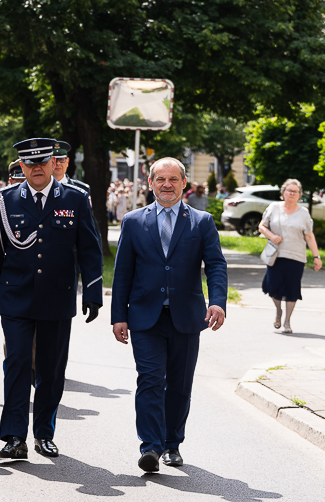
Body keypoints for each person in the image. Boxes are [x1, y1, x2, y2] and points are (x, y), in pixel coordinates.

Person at [0, 138, 103, 460]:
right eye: (29, 164)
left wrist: (92, 291)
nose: (36, 169)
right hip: (15, 296)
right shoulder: (5, 200)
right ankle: (13, 437)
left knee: (50, 371)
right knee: (18, 364)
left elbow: (90, 249)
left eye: (42, 162)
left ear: (54, 164)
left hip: (57, 297)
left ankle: (44, 434)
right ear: (21, 167)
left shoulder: (76, 199)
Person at [111, 157, 227, 472]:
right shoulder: (134, 221)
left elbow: (215, 264)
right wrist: (118, 315)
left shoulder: (201, 221)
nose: (167, 185)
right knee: (149, 380)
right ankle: (150, 447)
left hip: (187, 317)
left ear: (183, 183)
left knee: (179, 384)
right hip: (145, 318)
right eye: (161, 179)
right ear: (150, 183)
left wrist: (217, 301)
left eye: (173, 179)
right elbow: (123, 272)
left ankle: (172, 444)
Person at [258, 178, 321, 334]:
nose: (292, 194)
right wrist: (272, 236)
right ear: (283, 192)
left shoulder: (304, 213)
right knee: (272, 286)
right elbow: (261, 226)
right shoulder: (273, 207)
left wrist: (316, 256)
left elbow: (309, 236)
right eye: (289, 190)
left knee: (292, 289)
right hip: (276, 255)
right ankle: (278, 312)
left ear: (299, 195)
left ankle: (287, 321)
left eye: (295, 192)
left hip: (296, 256)